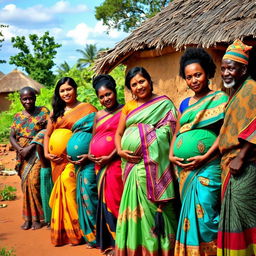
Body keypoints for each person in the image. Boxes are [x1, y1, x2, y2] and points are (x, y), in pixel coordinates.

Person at [169, 48, 229, 255]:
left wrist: (205, 156)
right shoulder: (184, 104)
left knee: (207, 212)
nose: (194, 80)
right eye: (189, 77)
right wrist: (171, 155)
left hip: (208, 166)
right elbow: (176, 133)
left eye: (198, 74)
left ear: (208, 73)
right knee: (189, 214)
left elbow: (225, 133)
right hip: (184, 170)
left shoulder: (220, 99)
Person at [115, 66, 178, 256]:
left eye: (141, 81)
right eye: (134, 84)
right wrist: (120, 151)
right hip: (131, 166)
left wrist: (149, 135)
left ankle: (160, 249)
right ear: (130, 89)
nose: (139, 86)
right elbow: (118, 133)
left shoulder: (164, 104)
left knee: (154, 211)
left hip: (154, 167)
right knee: (133, 208)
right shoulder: (128, 107)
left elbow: (173, 131)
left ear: (150, 81)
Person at [44, 77, 97, 246]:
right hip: (56, 162)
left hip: (75, 161)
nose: (66, 93)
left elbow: (96, 132)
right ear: (58, 93)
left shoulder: (87, 109)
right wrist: (46, 152)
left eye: (69, 89)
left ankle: (81, 231)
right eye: (62, 91)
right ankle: (67, 232)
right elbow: (46, 135)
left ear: (75, 89)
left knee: (71, 186)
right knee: (62, 192)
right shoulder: (55, 112)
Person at [217, 39, 256, 256]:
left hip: (244, 165)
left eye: (231, 68)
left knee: (244, 217)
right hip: (230, 164)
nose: (226, 73)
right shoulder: (237, 91)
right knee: (235, 219)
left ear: (243, 68)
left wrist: (241, 156)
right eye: (223, 68)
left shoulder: (252, 89)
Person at [89, 74, 124, 255]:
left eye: (108, 94)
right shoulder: (98, 115)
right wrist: (90, 152)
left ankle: (121, 241)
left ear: (115, 92)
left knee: (116, 200)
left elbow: (124, 138)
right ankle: (110, 242)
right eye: (101, 97)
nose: (105, 99)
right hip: (99, 166)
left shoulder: (124, 111)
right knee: (104, 202)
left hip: (116, 163)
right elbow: (94, 136)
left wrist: (109, 156)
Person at [10, 86, 50, 230]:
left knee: (34, 183)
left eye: (31, 98)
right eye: (25, 99)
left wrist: (31, 147)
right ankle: (28, 218)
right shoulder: (17, 116)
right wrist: (21, 149)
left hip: (37, 153)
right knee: (25, 186)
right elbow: (12, 137)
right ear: (21, 100)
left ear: (35, 97)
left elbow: (48, 131)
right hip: (22, 155)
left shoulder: (43, 112)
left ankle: (39, 218)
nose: (28, 101)